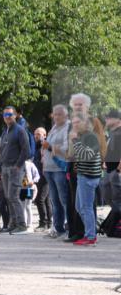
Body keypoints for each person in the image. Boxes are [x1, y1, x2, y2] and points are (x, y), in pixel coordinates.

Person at [0, 106, 29, 235]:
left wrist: (18, 166)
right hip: (5, 168)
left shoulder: (20, 131)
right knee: (8, 197)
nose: (7, 117)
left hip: (15, 169)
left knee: (14, 197)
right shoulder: (6, 131)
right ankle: (13, 224)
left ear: (15, 115)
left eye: (9, 114)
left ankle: (22, 225)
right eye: (5, 115)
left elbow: (26, 150)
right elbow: (2, 153)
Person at [69, 114, 102, 246]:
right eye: (74, 123)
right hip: (83, 176)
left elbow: (87, 155)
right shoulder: (84, 137)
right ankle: (90, 233)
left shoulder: (90, 137)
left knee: (86, 207)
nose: (74, 125)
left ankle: (90, 236)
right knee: (79, 207)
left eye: (77, 122)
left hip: (88, 177)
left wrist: (75, 141)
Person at [42, 105, 71, 239]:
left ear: (66, 115)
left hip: (60, 169)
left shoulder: (68, 128)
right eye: (55, 114)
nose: (56, 116)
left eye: (59, 114)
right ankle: (57, 228)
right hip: (49, 168)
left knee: (64, 199)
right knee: (54, 201)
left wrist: (50, 147)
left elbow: (66, 149)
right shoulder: (54, 127)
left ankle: (70, 228)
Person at [31, 127, 50, 230]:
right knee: (46, 200)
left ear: (44, 135)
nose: (36, 136)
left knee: (40, 199)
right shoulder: (37, 146)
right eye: (35, 134)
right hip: (39, 176)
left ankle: (43, 223)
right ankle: (48, 223)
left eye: (38, 134)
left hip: (45, 176)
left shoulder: (44, 145)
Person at [21, 157, 40, 232]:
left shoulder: (30, 165)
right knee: (22, 206)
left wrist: (33, 181)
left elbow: (37, 176)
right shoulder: (18, 165)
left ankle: (30, 224)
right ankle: (24, 224)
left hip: (29, 188)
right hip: (21, 188)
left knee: (28, 206)